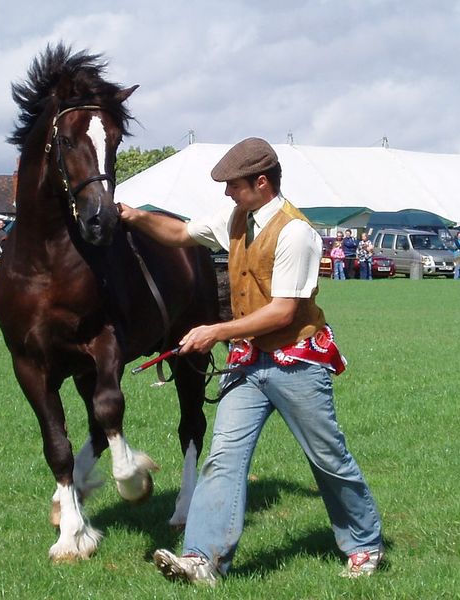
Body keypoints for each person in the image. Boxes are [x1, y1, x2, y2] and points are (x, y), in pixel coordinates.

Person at [119, 137, 383, 585]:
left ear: (261, 182)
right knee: (222, 458)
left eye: (233, 185)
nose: (226, 193)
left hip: (295, 363)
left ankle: (364, 544)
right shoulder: (237, 217)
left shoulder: (296, 233)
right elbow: (181, 234)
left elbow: (283, 311)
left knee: (327, 459)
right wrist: (135, 217)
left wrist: (215, 331)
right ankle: (203, 560)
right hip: (250, 363)